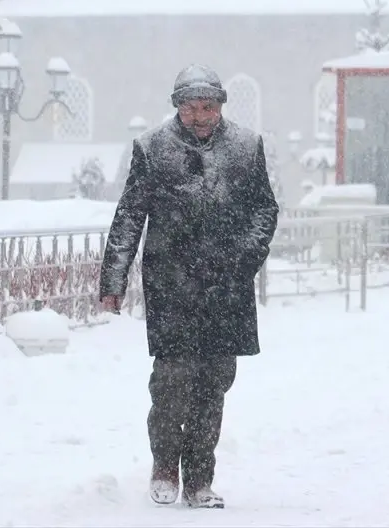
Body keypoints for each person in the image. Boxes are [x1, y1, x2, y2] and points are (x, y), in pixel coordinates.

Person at [98, 64, 280, 509]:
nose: (199, 116)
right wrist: (114, 279)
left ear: (220, 106)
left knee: (214, 383)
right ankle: (164, 466)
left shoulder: (245, 146)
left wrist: (245, 259)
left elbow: (265, 210)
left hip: (227, 286)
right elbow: (129, 216)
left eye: (207, 107)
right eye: (189, 107)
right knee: (172, 381)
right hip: (172, 284)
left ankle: (200, 478)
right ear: (176, 107)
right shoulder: (152, 149)